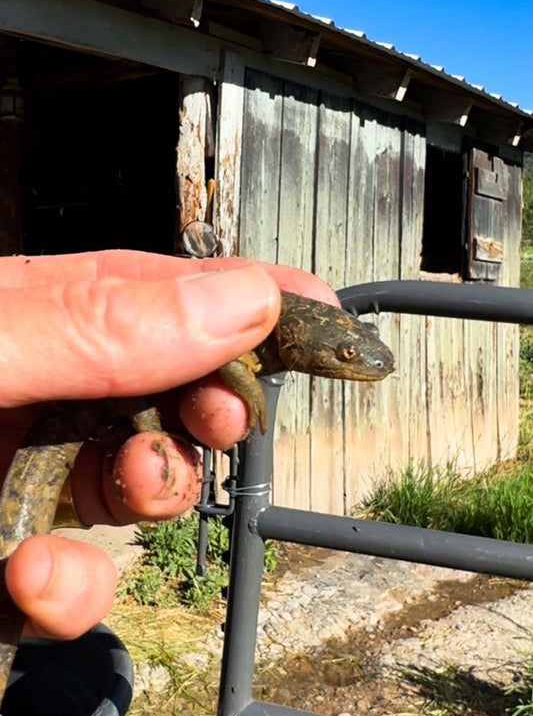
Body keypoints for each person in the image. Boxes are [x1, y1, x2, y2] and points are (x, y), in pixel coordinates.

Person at [0, 249, 337, 641]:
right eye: (344, 355)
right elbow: (227, 362)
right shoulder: (233, 315)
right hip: (85, 404)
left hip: (82, 419)